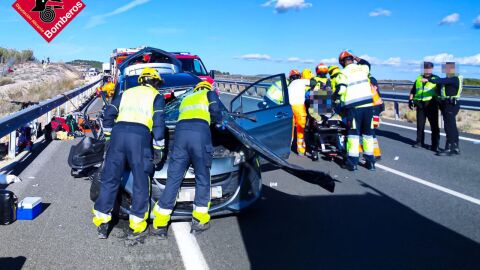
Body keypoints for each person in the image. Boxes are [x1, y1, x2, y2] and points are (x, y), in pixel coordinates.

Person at [92, 67, 166, 240]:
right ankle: (137, 226)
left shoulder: (126, 92)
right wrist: (158, 148)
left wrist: (110, 137)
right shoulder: (156, 96)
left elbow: (108, 114)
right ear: (155, 82)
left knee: (110, 178)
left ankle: (102, 224)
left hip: (118, 134)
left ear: (141, 80)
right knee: (141, 182)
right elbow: (159, 124)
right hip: (139, 138)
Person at [152, 81, 222, 238]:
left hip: (181, 135)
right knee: (202, 177)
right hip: (200, 135)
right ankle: (199, 221)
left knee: (174, 178)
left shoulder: (186, 99)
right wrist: (219, 123)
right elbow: (216, 113)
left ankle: (160, 224)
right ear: (207, 88)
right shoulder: (209, 94)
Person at [335, 50, 375, 171]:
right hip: (368, 107)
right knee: (368, 135)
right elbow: (367, 63)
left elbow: (341, 90)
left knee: (353, 135)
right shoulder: (363, 69)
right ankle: (370, 162)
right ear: (352, 59)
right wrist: (356, 57)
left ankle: (352, 163)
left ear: (342, 62)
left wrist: (334, 98)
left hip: (354, 108)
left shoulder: (343, 73)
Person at [426, 62, 463, 156]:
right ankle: (455, 146)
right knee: (452, 126)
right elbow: (441, 84)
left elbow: (439, 81)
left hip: (451, 105)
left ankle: (449, 148)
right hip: (448, 104)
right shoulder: (450, 79)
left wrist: (429, 79)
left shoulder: (454, 79)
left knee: (449, 126)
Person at [408, 62, 441, 151]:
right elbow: (413, 91)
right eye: (425, 68)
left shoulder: (436, 79)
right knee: (420, 125)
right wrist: (410, 100)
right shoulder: (418, 78)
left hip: (431, 105)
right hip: (420, 105)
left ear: (432, 69)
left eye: (429, 68)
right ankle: (419, 142)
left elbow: (441, 91)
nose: (427, 70)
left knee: (434, 126)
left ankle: (435, 145)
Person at [288, 69, 312, 155]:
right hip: (299, 107)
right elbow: (313, 83)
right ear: (299, 76)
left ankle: (287, 147)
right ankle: (301, 150)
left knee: (290, 129)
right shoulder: (301, 81)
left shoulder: (289, 85)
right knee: (300, 129)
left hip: (289, 107)